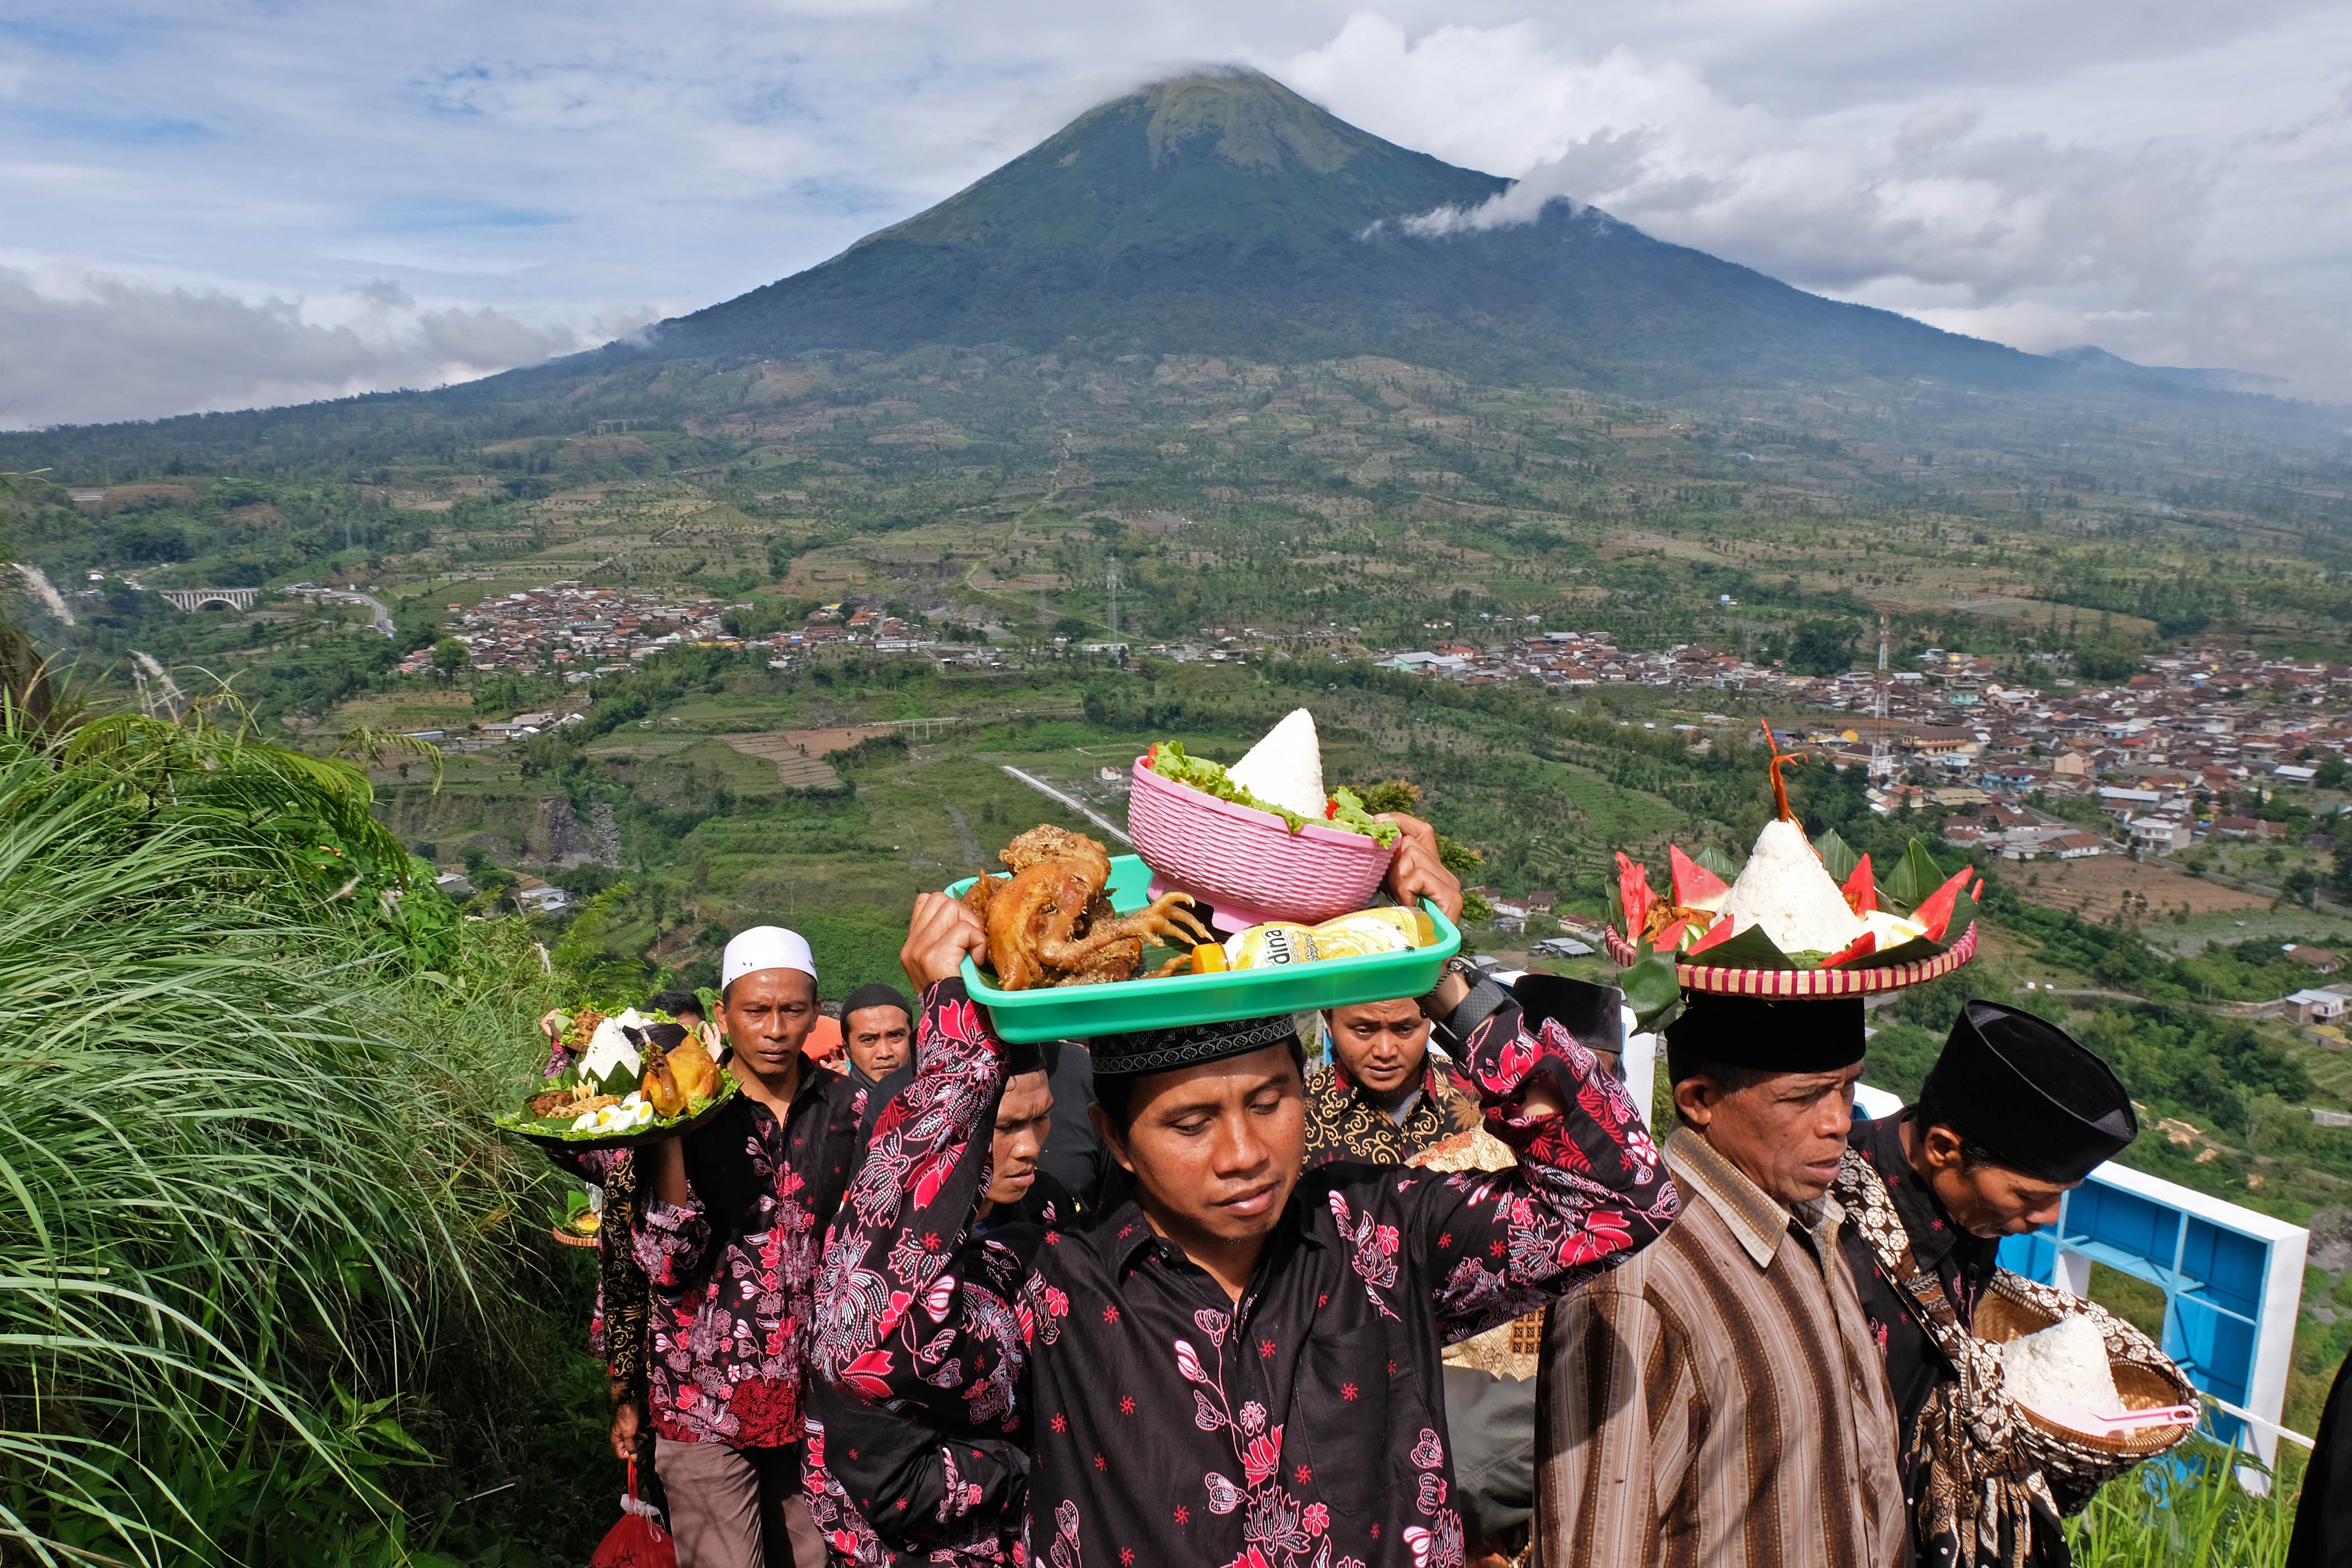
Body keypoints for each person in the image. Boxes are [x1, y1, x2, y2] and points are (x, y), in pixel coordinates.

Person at [812, 814, 1679, 1567]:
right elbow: (863, 1345)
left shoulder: (1376, 1236)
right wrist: (958, 1059)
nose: (1243, 1154)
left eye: (1270, 1104)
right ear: (1115, 1138)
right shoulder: (1053, 1289)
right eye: (1191, 1124)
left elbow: (1620, 1200)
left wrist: (1442, 975)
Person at [1538, 990, 1905, 1568]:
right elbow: (1598, 1547)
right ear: (1701, 1100)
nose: (1838, 1122)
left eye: (1847, 1087)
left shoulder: (1814, 1222)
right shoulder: (1639, 1280)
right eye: (1804, 1097)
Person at [1833, 1001, 2139, 1567]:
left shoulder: (1965, 1204)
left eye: (2060, 1196)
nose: (2048, 1218)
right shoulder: (1837, 1227)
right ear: (1942, 1149)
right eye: (2028, 1196)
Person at [632, 927, 872, 1568]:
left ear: (816, 1013)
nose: (775, 1029)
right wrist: (671, 1134)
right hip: (704, 1400)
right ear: (722, 1013)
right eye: (756, 1010)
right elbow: (664, 1264)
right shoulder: (685, 1112)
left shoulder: (852, 1108)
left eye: (793, 1010)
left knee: (819, 1559)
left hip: (819, 1399)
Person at [801, 1049, 1064, 1565]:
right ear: (938, 1134)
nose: (1031, 1147)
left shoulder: (1045, 1206)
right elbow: (893, 1480)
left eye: (1042, 1118)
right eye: (1006, 1126)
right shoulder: (876, 1258)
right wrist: (1034, 1468)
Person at [1300, 996, 1482, 1167]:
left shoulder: (1481, 1094)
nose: (1385, 1051)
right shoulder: (1302, 1117)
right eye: (1363, 1030)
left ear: (1430, 1017)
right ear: (1329, 1021)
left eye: (1404, 1029)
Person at [841, 983, 916, 1131]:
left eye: (895, 1036)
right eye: (869, 1040)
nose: (885, 1053)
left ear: (913, 1038)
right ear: (847, 1048)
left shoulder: (939, 1098)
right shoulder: (833, 1111)